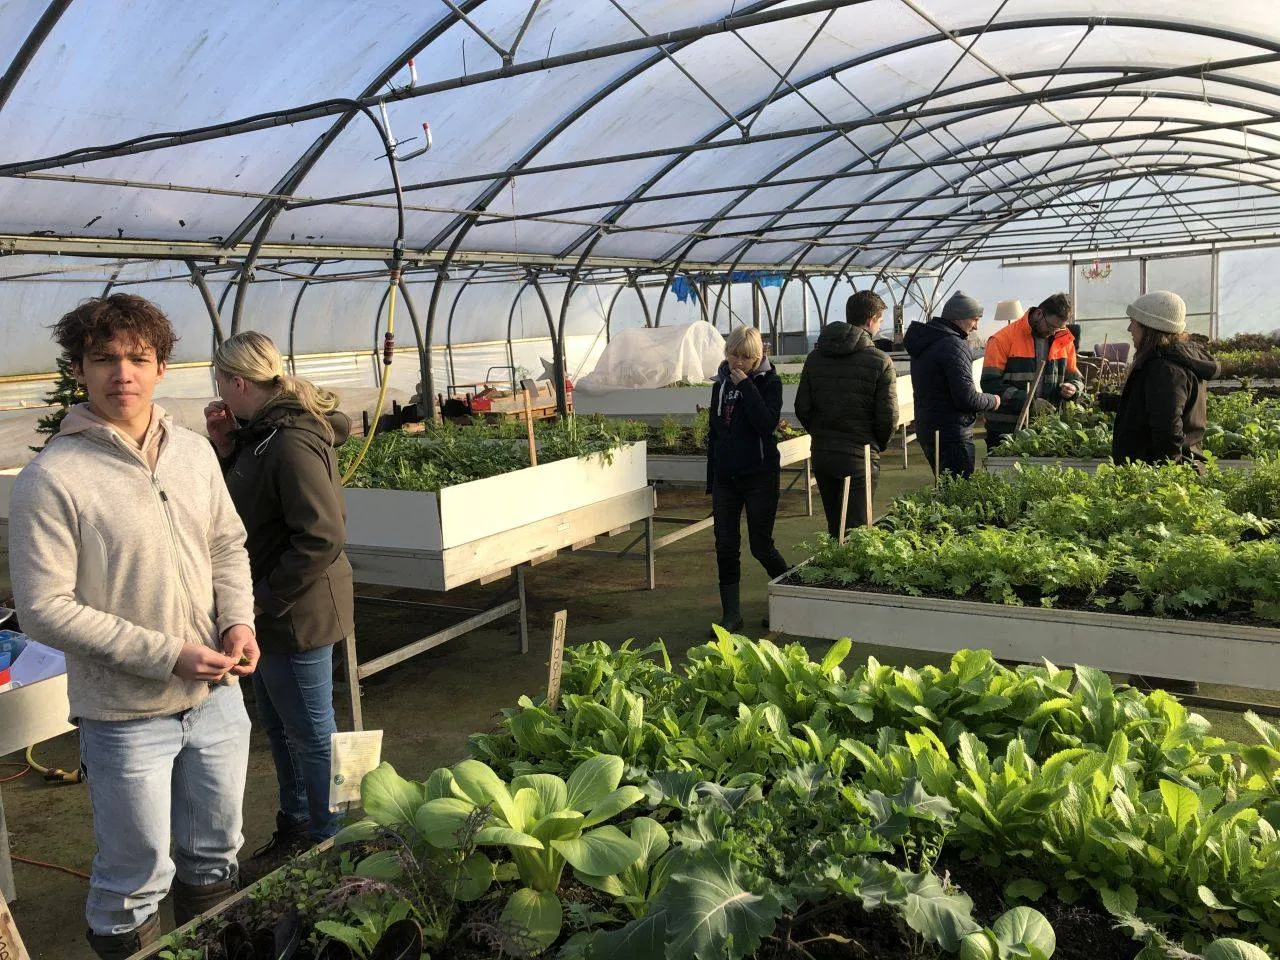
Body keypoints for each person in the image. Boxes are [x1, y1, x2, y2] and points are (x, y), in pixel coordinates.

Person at [8, 295, 258, 959]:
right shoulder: (52, 478)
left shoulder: (194, 454)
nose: (123, 371)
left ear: (162, 367)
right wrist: (167, 653)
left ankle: (212, 946)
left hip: (217, 699)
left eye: (137, 358)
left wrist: (237, 620)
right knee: (134, 877)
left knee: (214, 852)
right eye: (105, 358)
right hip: (124, 716)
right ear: (80, 370)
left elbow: (227, 545)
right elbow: (43, 607)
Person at [206, 332, 356, 875]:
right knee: (282, 726)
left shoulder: (290, 441)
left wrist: (263, 603)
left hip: (297, 614)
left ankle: (331, 846)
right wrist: (225, 446)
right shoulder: (260, 434)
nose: (219, 390)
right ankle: (296, 828)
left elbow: (321, 535)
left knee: (313, 735)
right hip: (269, 612)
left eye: (221, 380)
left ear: (237, 382)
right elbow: (239, 506)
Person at [795, 291, 898, 537]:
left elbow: (803, 407)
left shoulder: (815, 358)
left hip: (823, 454)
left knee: (835, 528)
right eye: (881, 321)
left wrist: (821, 434)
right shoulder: (880, 360)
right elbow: (888, 416)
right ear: (872, 320)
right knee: (858, 533)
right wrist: (876, 445)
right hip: (859, 455)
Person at [707, 326, 789, 632]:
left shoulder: (771, 383)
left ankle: (791, 594)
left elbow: (766, 423)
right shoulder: (720, 385)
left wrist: (747, 388)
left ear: (758, 358)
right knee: (725, 545)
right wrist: (711, 477)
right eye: (733, 355)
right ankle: (732, 614)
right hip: (726, 479)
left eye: (745, 357)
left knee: (761, 545)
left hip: (760, 475)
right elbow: (714, 433)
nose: (738, 362)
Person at [1111, 291, 1220, 466]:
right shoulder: (1173, 361)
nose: (1129, 328)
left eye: (1133, 322)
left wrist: (1166, 477)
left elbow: (1168, 431)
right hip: (1166, 475)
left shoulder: (1165, 370)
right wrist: (1115, 402)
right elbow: (1157, 406)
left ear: (1149, 326)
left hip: (1161, 479)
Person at [904, 291, 1002, 478]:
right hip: (952, 433)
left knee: (945, 486)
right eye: (974, 320)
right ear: (959, 318)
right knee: (959, 495)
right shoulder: (953, 344)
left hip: (929, 428)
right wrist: (993, 400)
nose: (976, 326)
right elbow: (966, 398)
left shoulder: (927, 340)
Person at [981, 293, 1084, 449]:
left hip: (1047, 428)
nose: (1053, 332)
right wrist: (1030, 402)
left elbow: (1077, 378)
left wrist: (1074, 388)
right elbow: (990, 385)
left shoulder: (1063, 339)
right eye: (1050, 326)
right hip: (1006, 429)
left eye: (1058, 328)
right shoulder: (1002, 339)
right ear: (1039, 314)